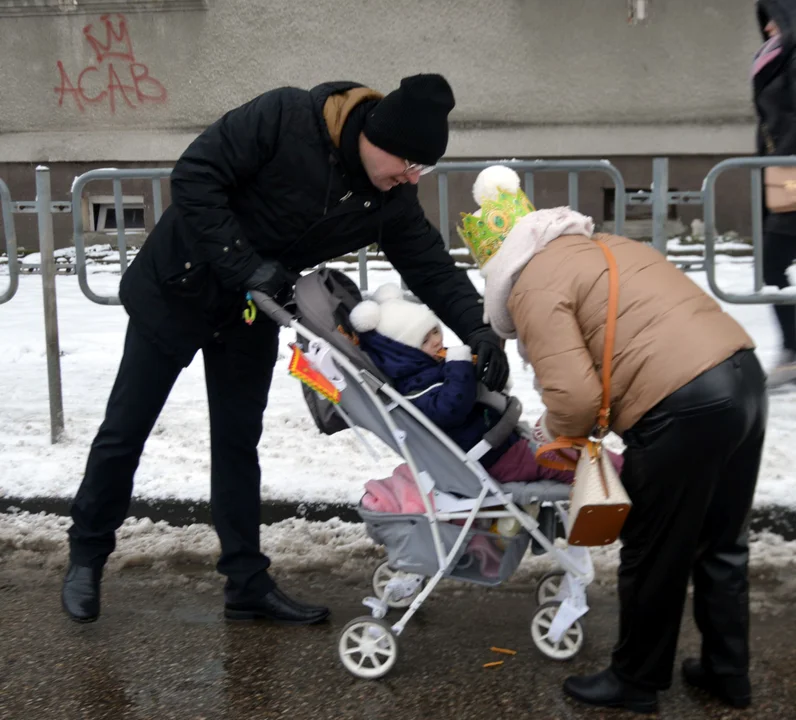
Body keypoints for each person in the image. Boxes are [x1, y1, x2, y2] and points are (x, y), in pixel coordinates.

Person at [62, 75, 509, 625]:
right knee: (126, 429)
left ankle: (245, 584)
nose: (410, 179)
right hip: (177, 288)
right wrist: (245, 264)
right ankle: (86, 554)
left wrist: (479, 327)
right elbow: (196, 176)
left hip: (252, 312)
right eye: (409, 165)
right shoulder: (286, 118)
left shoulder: (387, 197)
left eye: (422, 171)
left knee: (237, 443)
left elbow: (430, 264)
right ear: (378, 138)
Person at [458, 166, 767, 713]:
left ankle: (636, 681)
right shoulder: (604, 245)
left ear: (498, 264)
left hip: (680, 404)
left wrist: (554, 435)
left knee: (653, 550)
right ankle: (727, 672)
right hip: (741, 374)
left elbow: (574, 396)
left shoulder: (532, 284)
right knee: (721, 541)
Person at [348, 282, 622, 485]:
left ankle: (619, 471)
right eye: (425, 340)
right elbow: (451, 407)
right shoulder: (414, 389)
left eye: (435, 331)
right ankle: (623, 476)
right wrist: (459, 366)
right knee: (567, 461)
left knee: (567, 448)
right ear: (405, 352)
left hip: (503, 445)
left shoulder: (429, 370)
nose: (437, 341)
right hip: (495, 457)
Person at [754, 1, 796, 374]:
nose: (767, 28)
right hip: (782, 178)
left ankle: (793, 351)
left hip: (791, 178)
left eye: (773, 20)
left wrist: (783, 154)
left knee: (771, 265)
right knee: (772, 264)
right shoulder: (777, 56)